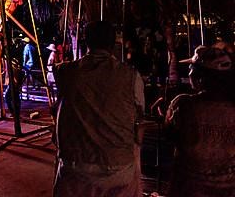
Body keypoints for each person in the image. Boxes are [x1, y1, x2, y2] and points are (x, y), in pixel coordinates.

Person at [53, 20, 145, 197]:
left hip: (75, 165)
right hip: (118, 168)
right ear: (113, 44)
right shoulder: (131, 76)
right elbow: (139, 117)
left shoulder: (65, 71)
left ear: (86, 42)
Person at [163, 43, 235, 197]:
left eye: (191, 69)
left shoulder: (184, 105)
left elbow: (171, 137)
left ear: (200, 77)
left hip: (190, 189)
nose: (188, 73)